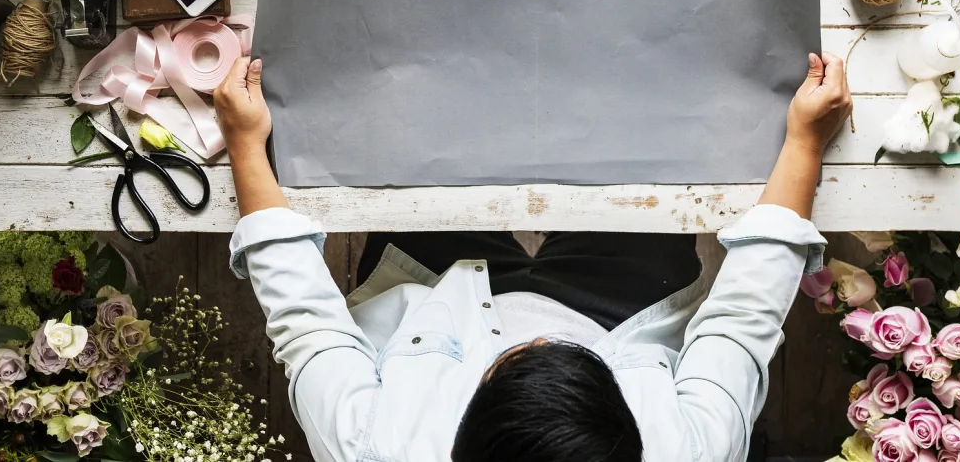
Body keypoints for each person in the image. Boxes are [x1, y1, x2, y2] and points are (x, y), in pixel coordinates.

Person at [215, 51, 852, 462]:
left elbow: (308, 324)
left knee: (413, 98)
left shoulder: (378, 448)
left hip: (437, 298)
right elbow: (742, 321)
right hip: (619, 315)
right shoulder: (689, 451)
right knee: (647, 109)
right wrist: (802, 144)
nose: (540, 334)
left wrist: (245, 144)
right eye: (564, 354)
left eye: (516, 358)